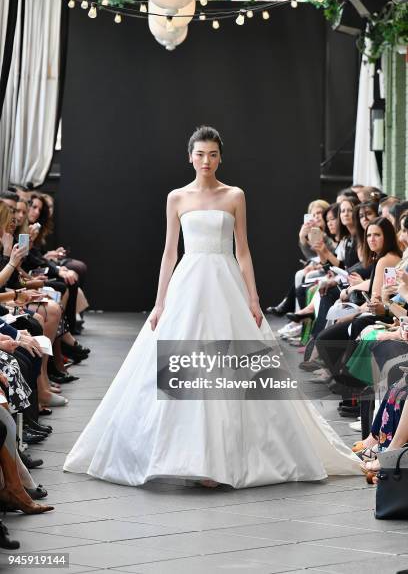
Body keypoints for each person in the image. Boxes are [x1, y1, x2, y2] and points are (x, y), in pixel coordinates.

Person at [64, 125, 360, 488]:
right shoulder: (176, 198)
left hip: (225, 282)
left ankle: (218, 457)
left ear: (221, 157)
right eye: (200, 153)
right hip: (189, 282)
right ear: (190, 156)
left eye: (213, 154)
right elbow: (170, 253)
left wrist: (253, 298)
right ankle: (184, 454)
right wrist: (159, 303)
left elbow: (243, 250)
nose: (206, 160)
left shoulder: (234, 195)